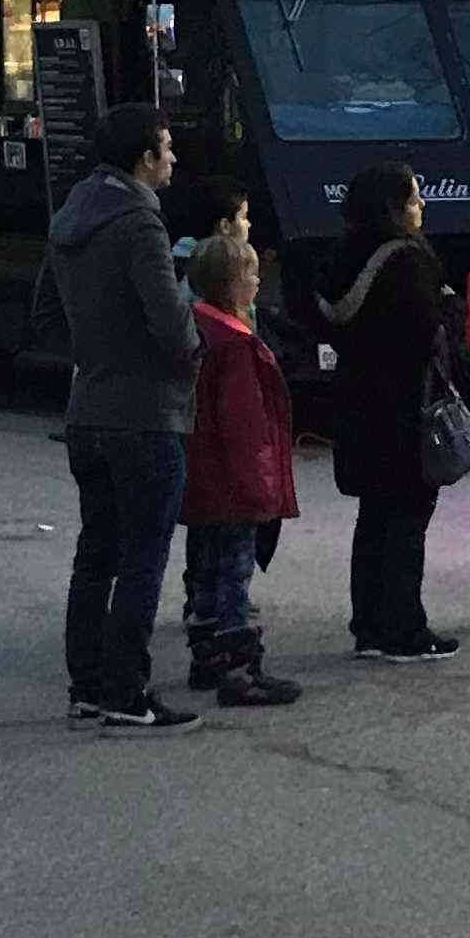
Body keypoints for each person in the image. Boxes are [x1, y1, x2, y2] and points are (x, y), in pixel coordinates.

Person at [46, 104, 201, 730]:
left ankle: (86, 681)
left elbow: (45, 313)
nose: (172, 160)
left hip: (89, 407)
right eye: (165, 149)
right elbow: (169, 319)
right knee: (144, 554)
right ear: (143, 157)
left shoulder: (71, 217)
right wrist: (194, 352)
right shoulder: (140, 225)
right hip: (144, 412)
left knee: (96, 552)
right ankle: (126, 689)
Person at [321, 162, 458, 665]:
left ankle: (370, 625)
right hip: (403, 405)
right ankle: (404, 626)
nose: (422, 207)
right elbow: (428, 332)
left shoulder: (341, 256)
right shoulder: (407, 261)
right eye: (416, 199)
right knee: (407, 517)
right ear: (394, 207)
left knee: (373, 516)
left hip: (356, 399)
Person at [176, 232, 302, 710]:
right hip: (231, 481)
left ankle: (205, 654)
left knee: (206, 569)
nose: (257, 281)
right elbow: (245, 426)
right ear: (232, 285)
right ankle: (238, 665)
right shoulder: (236, 345)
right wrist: (261, 487)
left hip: (201, 474)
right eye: (250, 274)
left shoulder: (196, 330)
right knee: (234, 571)